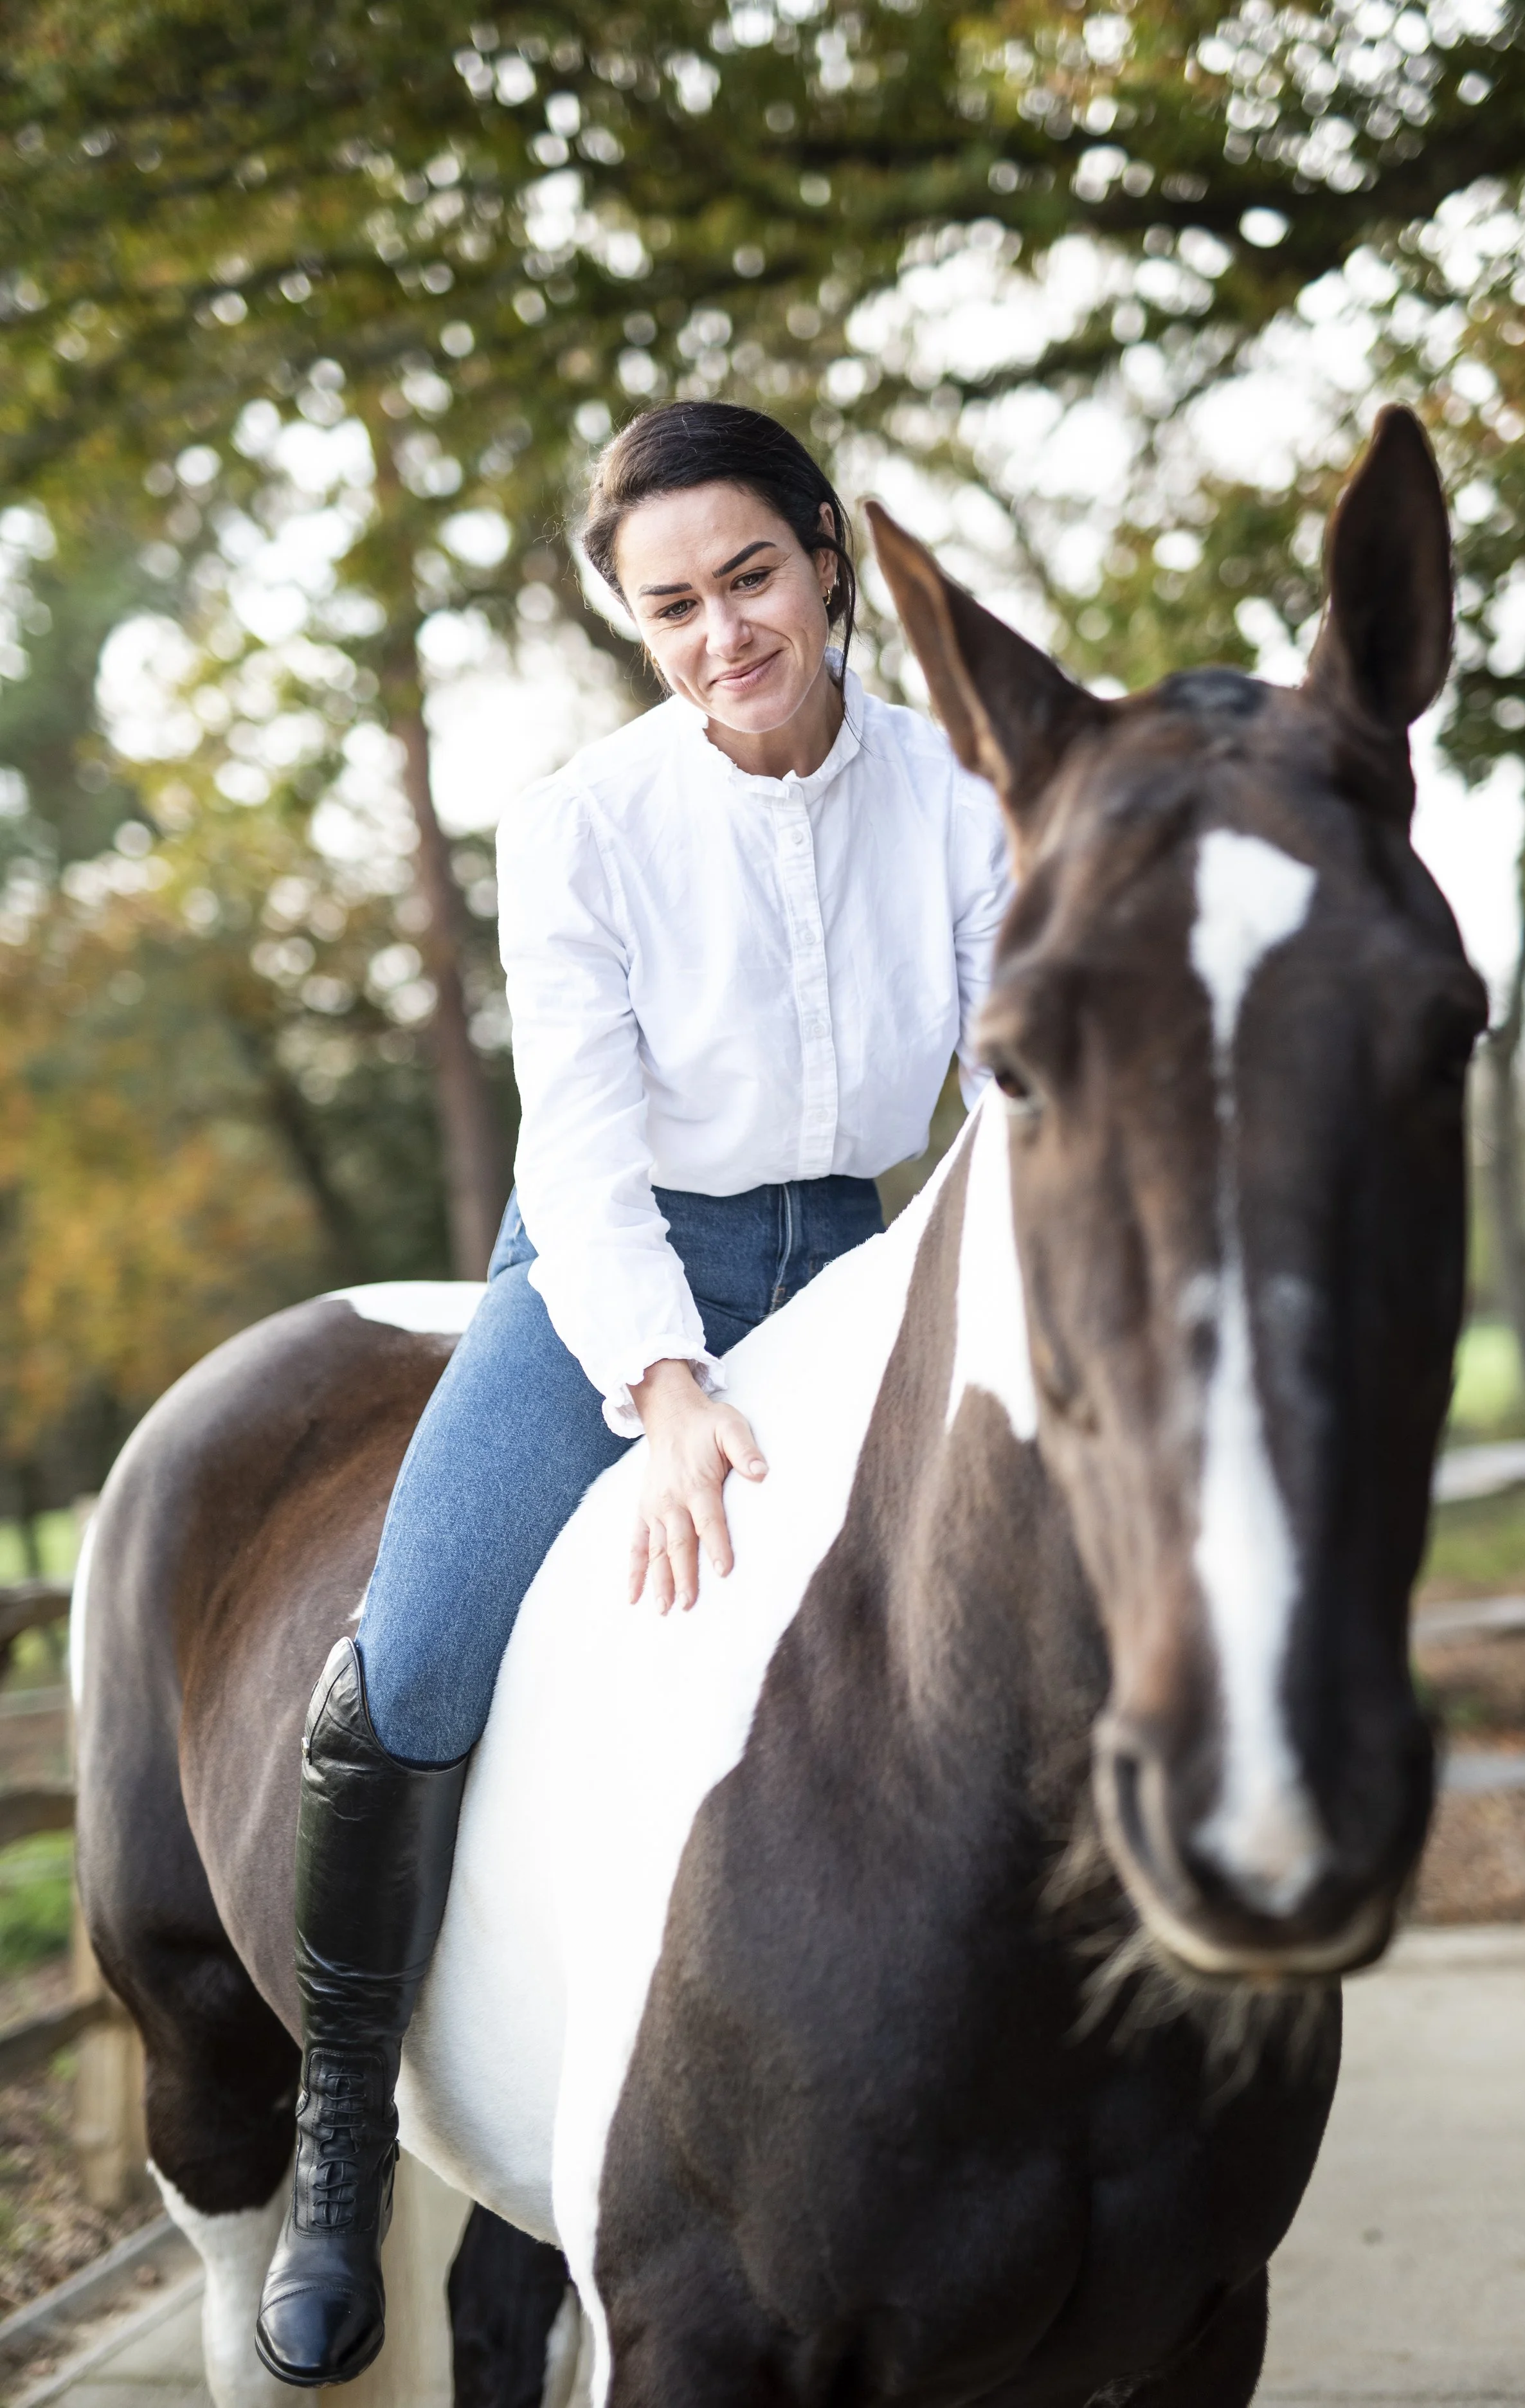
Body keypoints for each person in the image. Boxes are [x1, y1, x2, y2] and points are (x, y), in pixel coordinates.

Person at [254, 400, 1013, 2387]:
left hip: (857, 1250)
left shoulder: (955, 791)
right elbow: (580, 1150)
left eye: (749, 577)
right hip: (609, 1272)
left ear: (825, 563)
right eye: (668, 606)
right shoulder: (580, 821)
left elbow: (1014, 1081)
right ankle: (341, 2145)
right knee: (411, 1653)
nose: (718, 634)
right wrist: (663, 1389)